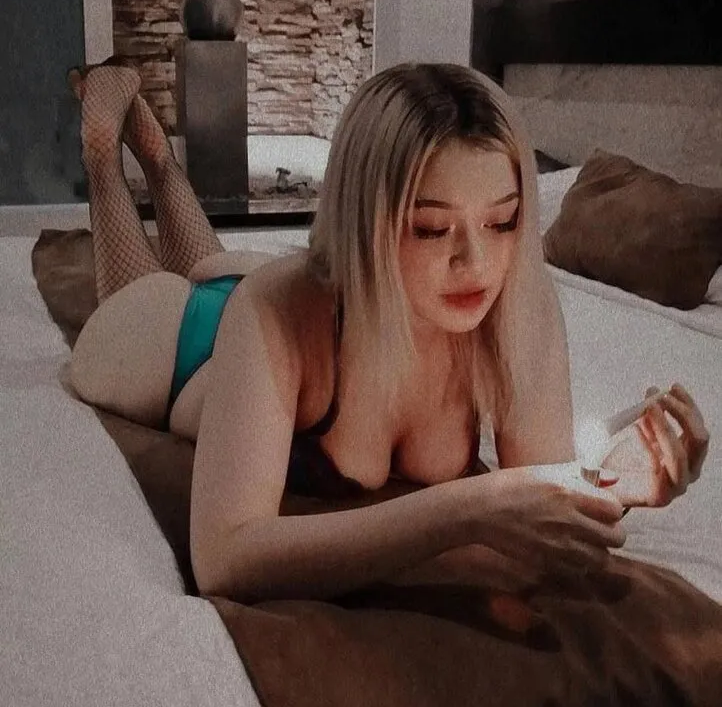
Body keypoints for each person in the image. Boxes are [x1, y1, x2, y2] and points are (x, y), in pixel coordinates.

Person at [64, 61, 710, 605]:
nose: (476, 263)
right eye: (430, 228)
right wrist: (466, 509)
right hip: (192, 348)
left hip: (322, 302)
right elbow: (224, 559)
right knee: (139, 285)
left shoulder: (518, 306)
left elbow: (543, 493)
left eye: (503, 222)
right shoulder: (275, 309)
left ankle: (158, 157)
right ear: (362, 220)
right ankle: (104, 153)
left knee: (211, 257)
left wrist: (616, 479)